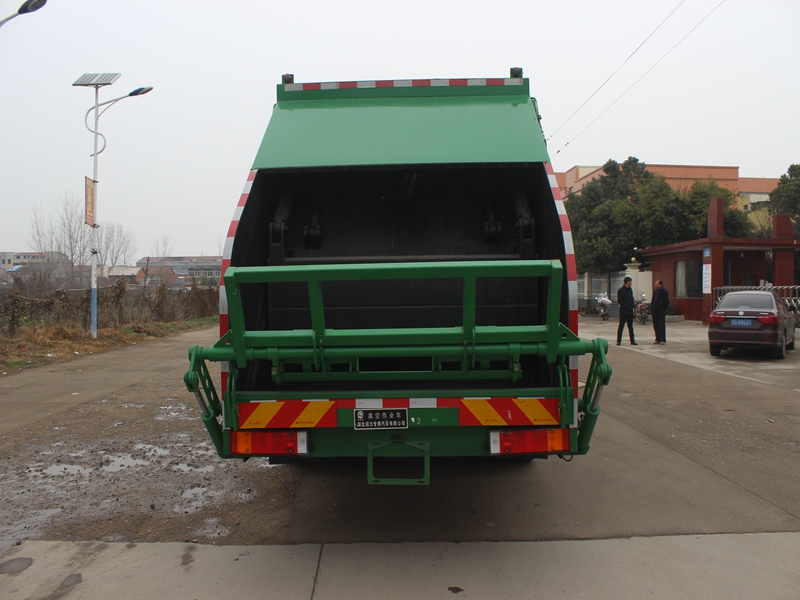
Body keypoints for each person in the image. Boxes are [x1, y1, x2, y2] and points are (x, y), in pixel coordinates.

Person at [616, 277, 637, 346]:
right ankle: (618, 341)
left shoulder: (630, 290)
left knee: (630, 327)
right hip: (623, 312)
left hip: (630, 312)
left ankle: (632, 340)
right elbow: (620, 301)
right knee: (621, 326)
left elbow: (631, 299)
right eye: (630, 282)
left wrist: (632, 307)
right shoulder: (621, 290)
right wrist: (626, 307)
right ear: (627, 282)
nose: (631, 283)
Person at [651, 280, 670, 344]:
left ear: (660, 284)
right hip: (655, 311)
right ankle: (657, 339)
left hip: (660, 311)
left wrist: (663, 310)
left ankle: (662, 339)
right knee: (656, 325)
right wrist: (652, 308)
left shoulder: (664, 292)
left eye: (656, 284)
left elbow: (666, 301)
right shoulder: (655, 292)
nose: (655, 285)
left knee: (661, 325)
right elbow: (653, 300)